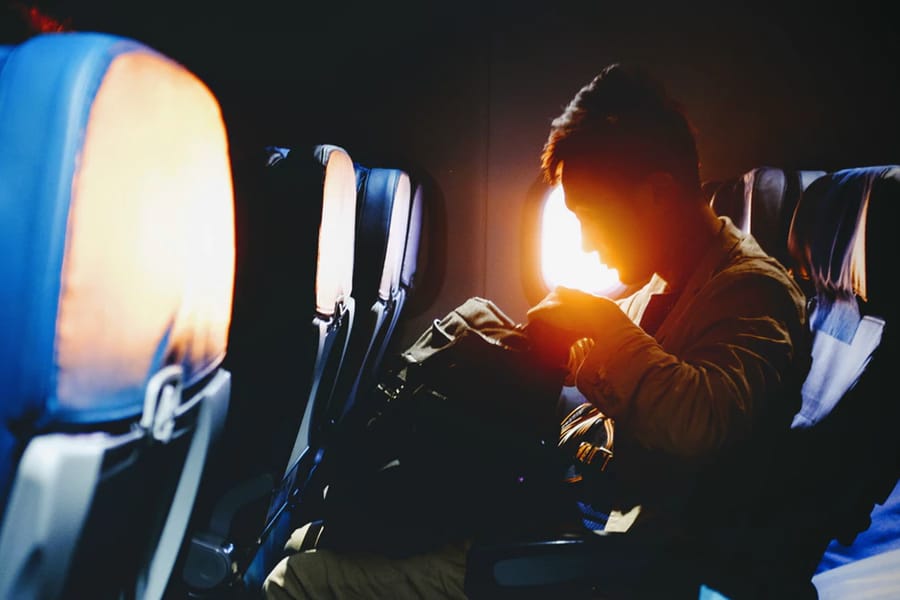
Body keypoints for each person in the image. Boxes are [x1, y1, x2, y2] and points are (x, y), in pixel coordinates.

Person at [263, 62, 811, 599]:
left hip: (607, 554)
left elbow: (703, 419)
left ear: (656, 195)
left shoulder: (753, 292)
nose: (591, 243)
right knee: (321, 536)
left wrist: (596, 321)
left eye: (593, 216)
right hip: (566, 510)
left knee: (299, 580)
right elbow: (626, 376)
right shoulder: (670, 282)